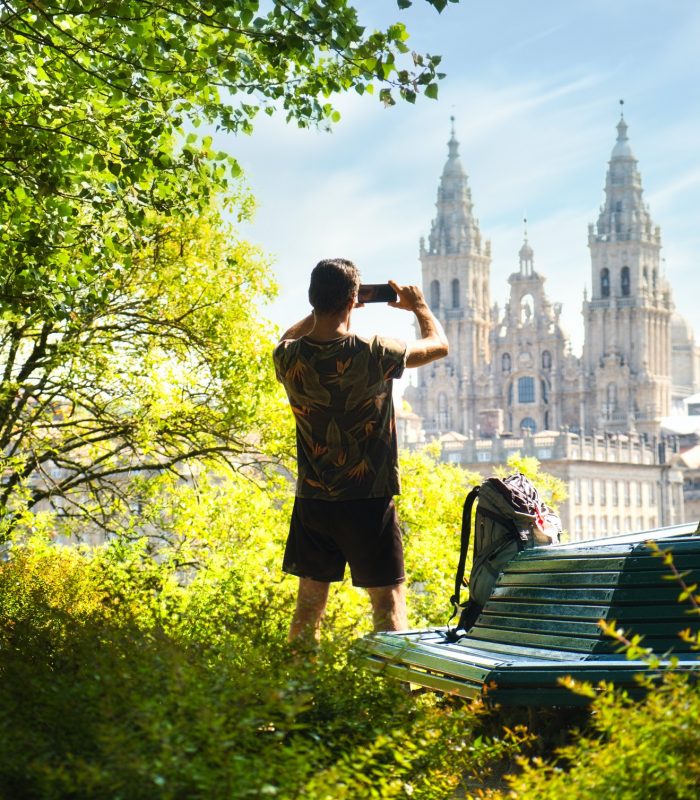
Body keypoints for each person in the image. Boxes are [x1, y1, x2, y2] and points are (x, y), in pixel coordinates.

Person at [273, 258, 448, 645]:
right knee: (387, 605)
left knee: (308, 606)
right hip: (368, 500)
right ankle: (391, 698)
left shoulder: (288, 358)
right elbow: (438, 346)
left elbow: (288, 335)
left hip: (313, 499)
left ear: (312, 298)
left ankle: (296, 699)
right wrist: (419, 306)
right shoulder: (373, 351)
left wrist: (330, 305)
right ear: (353, 300)